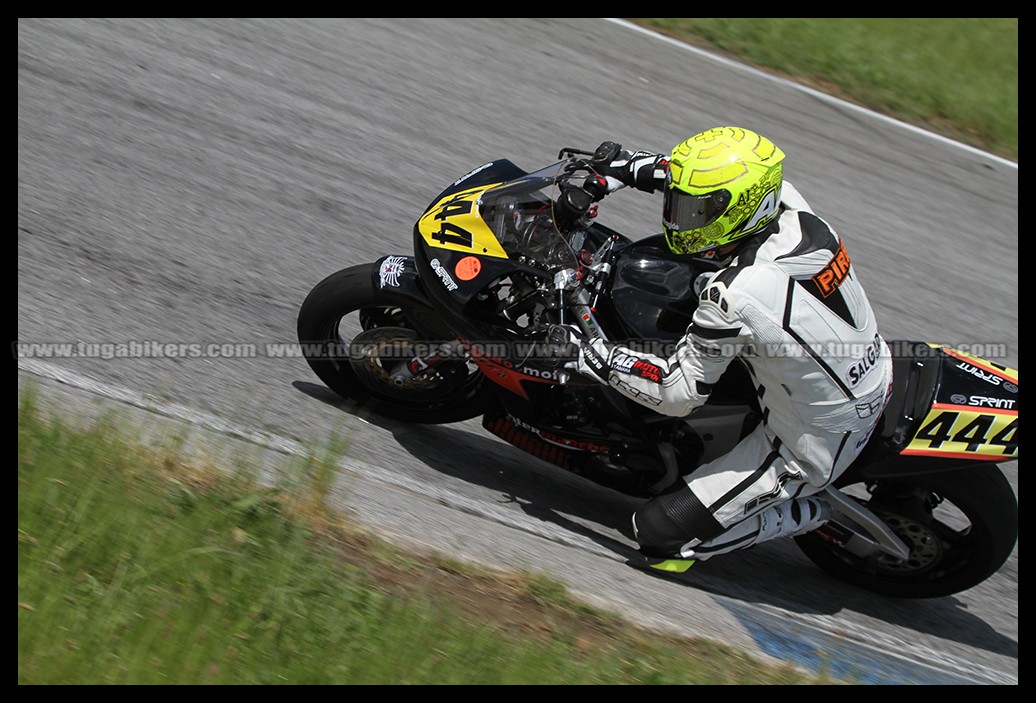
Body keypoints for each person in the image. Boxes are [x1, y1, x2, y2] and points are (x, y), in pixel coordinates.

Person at [549, 126, 894, 573]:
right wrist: (625, 167)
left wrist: (587, 353)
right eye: (683, 204)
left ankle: (811, 515)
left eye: (698, 211)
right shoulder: (791, 207)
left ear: (743, 210)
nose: (679, 219)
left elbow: (678, 394)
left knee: (656, 535)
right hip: (859, 362)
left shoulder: (736, 294)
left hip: (814, 437)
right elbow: (681, 176)